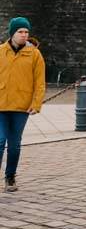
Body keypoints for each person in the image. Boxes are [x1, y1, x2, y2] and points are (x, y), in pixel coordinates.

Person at [0, 17, 45, 193]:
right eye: (20, 32)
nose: (24, 35)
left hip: (22, 106)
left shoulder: (34, 54)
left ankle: (10, 177)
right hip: (1, 105)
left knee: (14, 145)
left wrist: (36, 103)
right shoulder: (1, 51)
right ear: (12, 33)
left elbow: (39, 82)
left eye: (26, 32)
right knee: (0, 140)